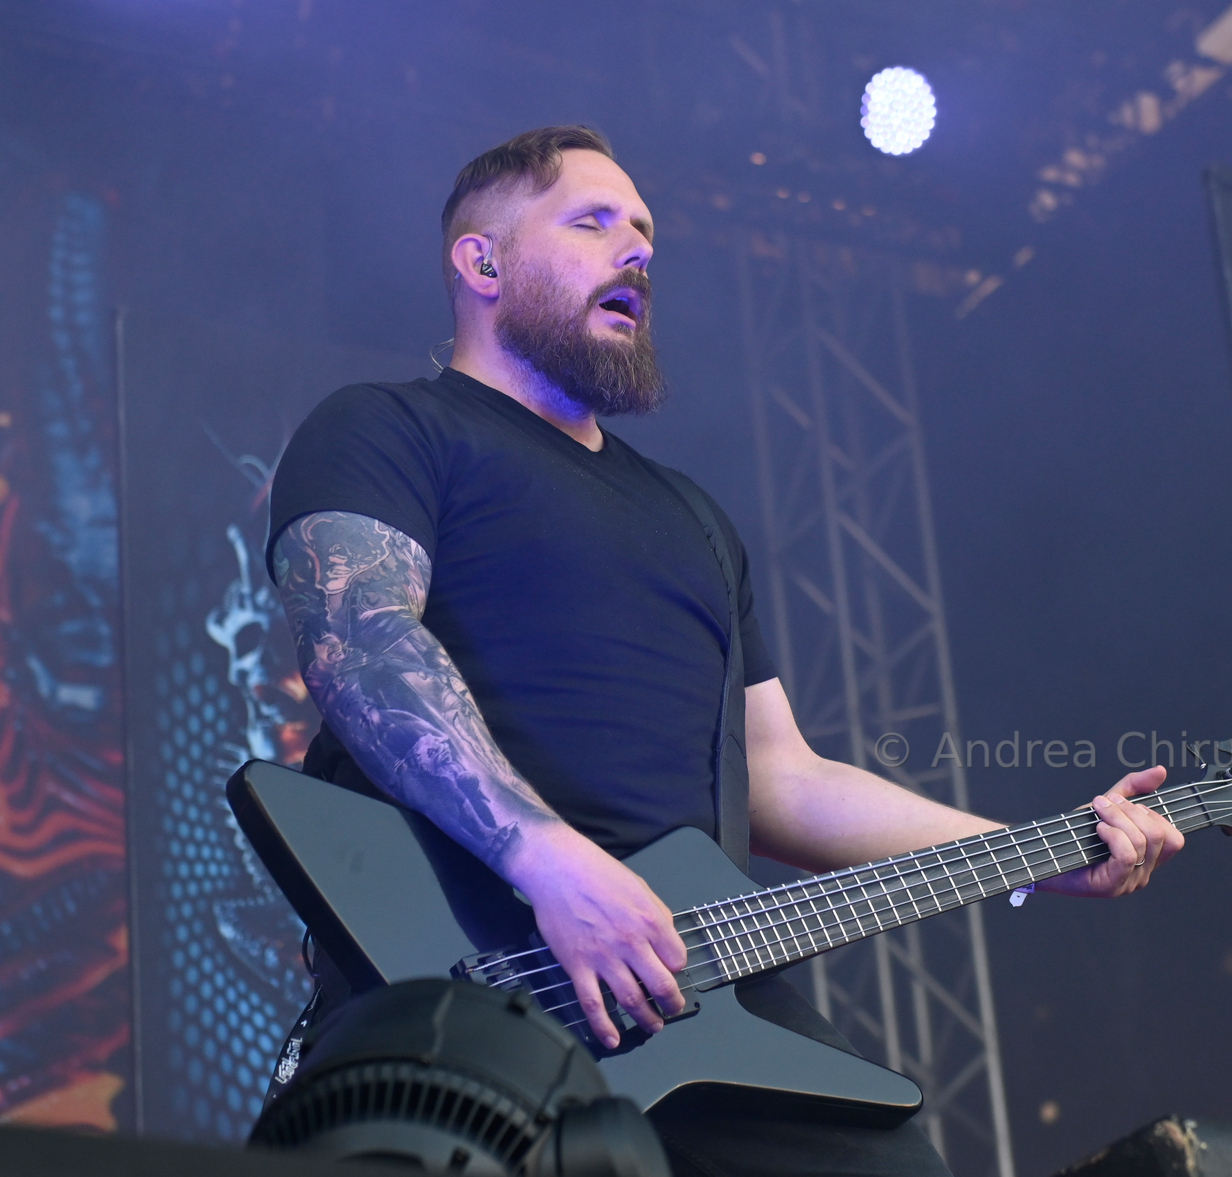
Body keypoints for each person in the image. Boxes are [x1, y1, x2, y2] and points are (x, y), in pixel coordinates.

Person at [265, 125, 1184, 1177]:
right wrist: (554, 865)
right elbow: (363, 643)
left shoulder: (691, 518)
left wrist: (1042, 854)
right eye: (593, 222)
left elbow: (785, 780)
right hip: (472, 981)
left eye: (645, 232)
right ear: (481, 262)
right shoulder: (389, 428)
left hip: (691, 989)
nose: (637, 250)